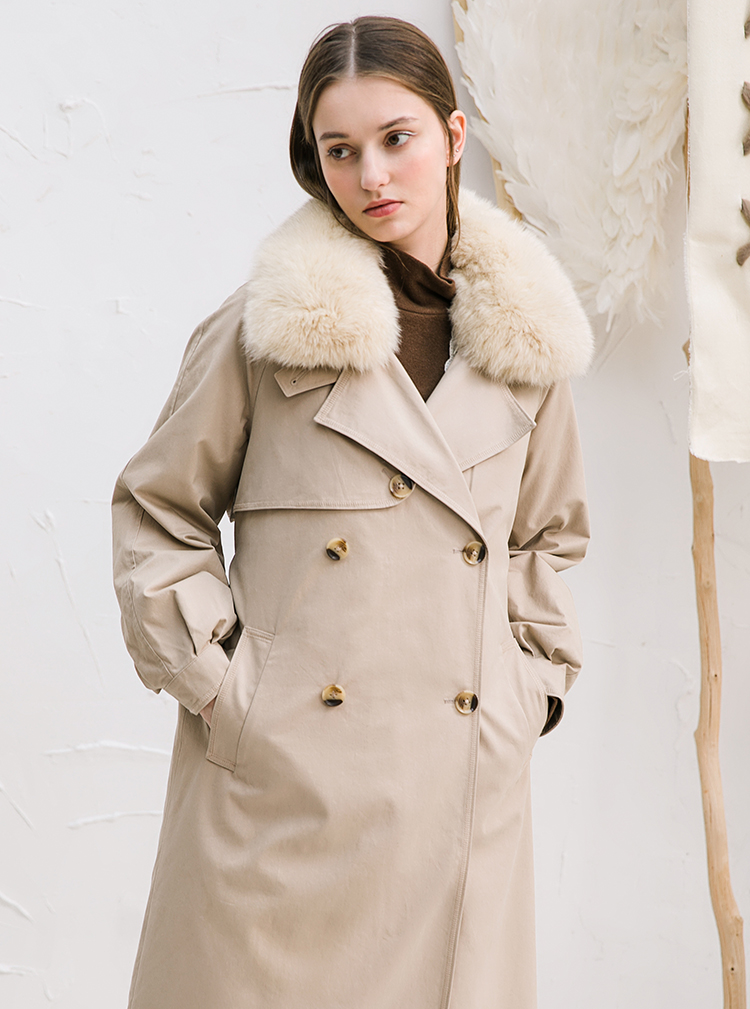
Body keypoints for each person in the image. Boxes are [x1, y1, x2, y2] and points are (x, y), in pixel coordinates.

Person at [112, 15, 593, 1009]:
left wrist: (527, 687)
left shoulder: (526, 345)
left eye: (395, 138)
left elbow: (549, 535)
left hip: (457, 784)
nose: (371, 175)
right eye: (339, 149)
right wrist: (223, 689)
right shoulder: (262, 331)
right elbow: (157, 513)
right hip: (279, 795)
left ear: (453, 136)